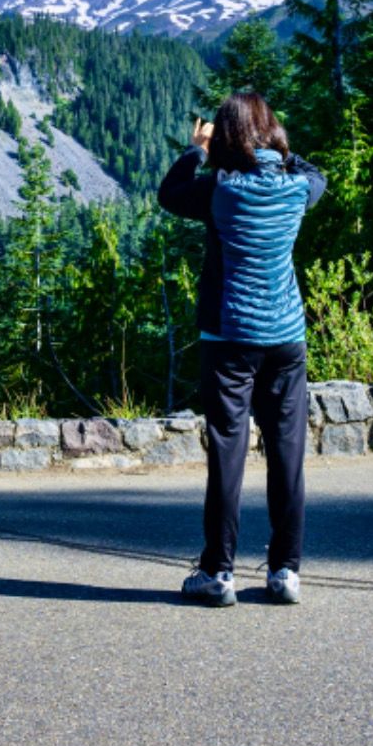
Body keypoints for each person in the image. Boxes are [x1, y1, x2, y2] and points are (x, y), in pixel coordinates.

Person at [156, 91, 325, 607]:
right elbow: (316, 174)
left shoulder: (219, 189)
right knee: (287, 451)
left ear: (226, 138)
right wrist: (280, 146)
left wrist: (199, 149)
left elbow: (169, 193)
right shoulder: (298, 187)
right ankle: (285, 571)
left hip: (230, 338)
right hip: (286, 338)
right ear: (270, 133)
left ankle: (218, 571)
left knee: (228, 453)